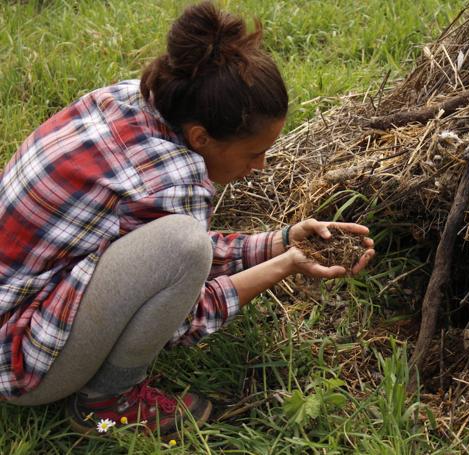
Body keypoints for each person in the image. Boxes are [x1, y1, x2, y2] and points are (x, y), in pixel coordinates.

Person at [0, 1, 374, 437]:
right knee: (186, 243)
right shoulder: (178, 182)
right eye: (254, 153)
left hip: (17, 302)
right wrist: (285, 266)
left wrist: (281, 239)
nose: (262, 165)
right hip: (17, 362)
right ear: (201, 137)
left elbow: (146, 250)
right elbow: (185, 319)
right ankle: (106, 404)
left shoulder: (131, 99)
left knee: (182, 243)